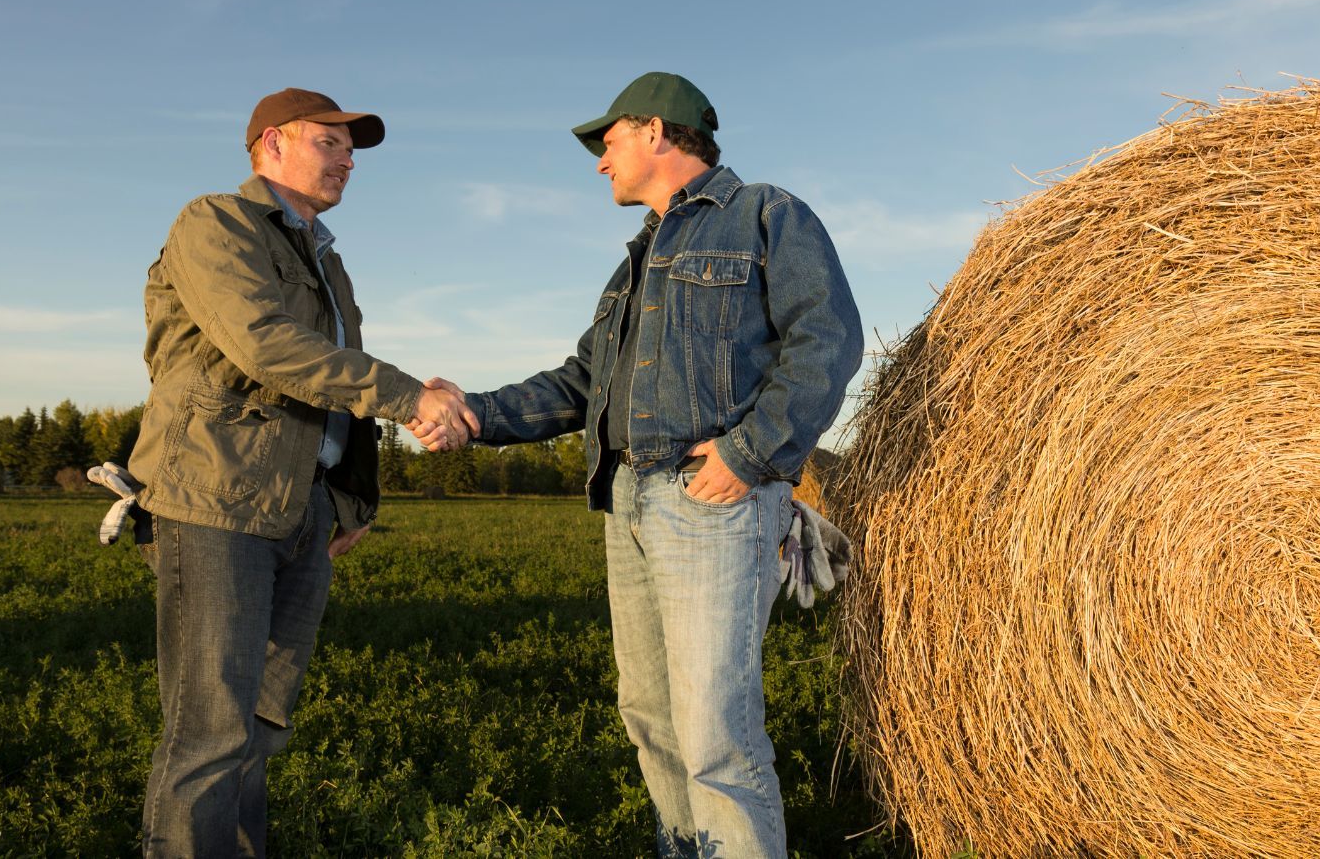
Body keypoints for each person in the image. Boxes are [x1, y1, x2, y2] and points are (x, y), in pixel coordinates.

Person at [411, 72, 862, 858]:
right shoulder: (634, 266)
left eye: (608, 141)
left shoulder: (764, 213)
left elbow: (826, 339)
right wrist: (474, 411)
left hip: (710, 502)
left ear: (655, 130)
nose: (598, 162)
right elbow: (581, 384)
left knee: (715, 734)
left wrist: (749, 454)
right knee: (650, 720)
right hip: (627, 500)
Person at [125, 87, 478, 858]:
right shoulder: (215, 222)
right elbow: (268, 347)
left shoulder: (329, 264)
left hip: (300, 512)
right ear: (271, 143)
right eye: (332, 142)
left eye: (352, 149)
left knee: (259, 724)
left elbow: (334, 394)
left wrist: (349, 499)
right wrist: (412, 396)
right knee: (210, 730)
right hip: (216, 503)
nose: (348, 160)